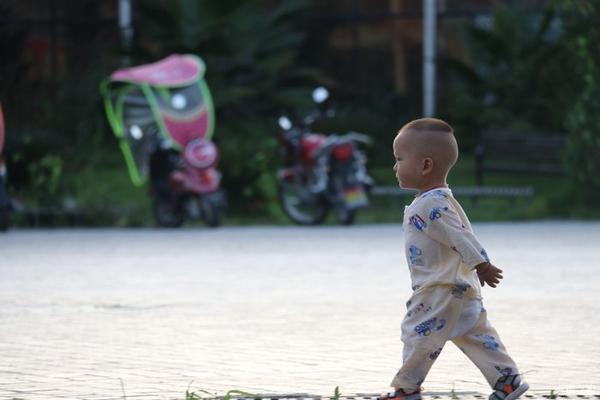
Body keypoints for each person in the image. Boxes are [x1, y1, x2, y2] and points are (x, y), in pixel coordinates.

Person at [382, 118, 528, 400]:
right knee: (477, 336)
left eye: (399, 159)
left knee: (417, 336)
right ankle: (507, 381)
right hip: (460, 288)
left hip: (439, 290)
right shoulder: (437, 200)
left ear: (425, 166)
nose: (395, 166)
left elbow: (461, 237)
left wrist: (482, 265)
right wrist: (478, 269)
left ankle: (406, 389)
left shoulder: (431, 205)